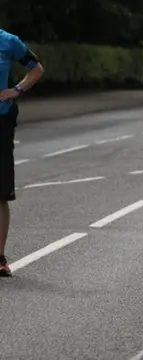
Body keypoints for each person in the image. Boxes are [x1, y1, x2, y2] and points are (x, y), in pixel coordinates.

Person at [0, 29, 44, 277]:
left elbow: (36, 68)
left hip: (1, 122)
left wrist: (16, 90)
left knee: (0, 193)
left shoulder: (8, 42)